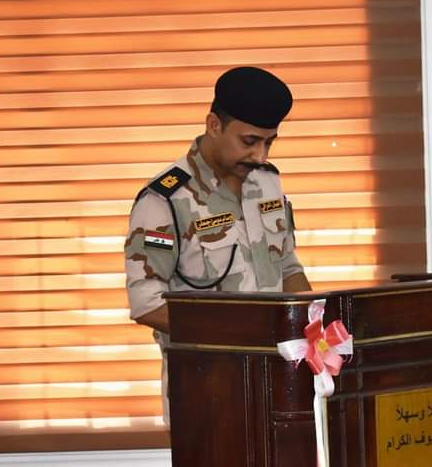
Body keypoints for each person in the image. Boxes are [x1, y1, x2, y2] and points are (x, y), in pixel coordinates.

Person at [124, 66, 311, 420]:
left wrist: (314, 330)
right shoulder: (165, 200)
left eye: (269, 142)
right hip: (207, 391)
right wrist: (240, 333)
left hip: (279, 384)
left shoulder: (267, 183)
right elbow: (145, 303)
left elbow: (287, 267)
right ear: (214, 125)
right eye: (249, 141)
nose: (260, 156)